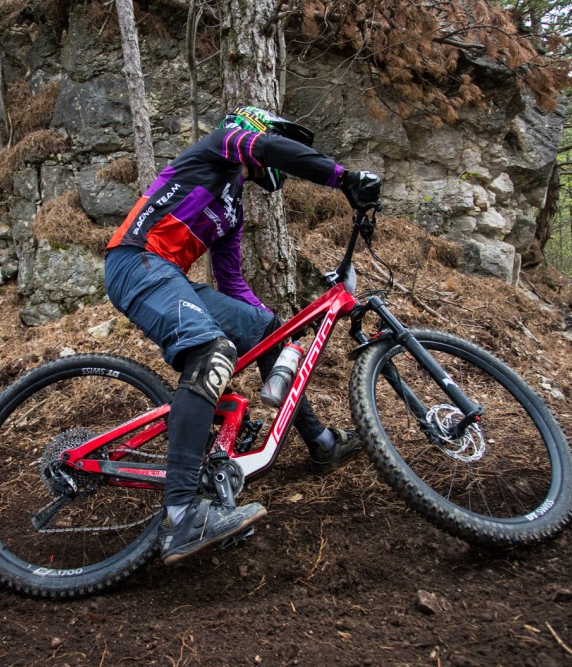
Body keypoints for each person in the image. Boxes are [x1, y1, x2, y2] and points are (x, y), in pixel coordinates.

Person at [104, 105, 382, 565]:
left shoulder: (232, 206)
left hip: (168, 274)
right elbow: (270, 148)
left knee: (265, 329)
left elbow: (231, 281)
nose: (276, 162)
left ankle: (321, 443)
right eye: (274, 140)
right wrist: (343, 178)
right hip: (137, 261)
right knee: (213, 352)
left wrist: (277, 325)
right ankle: (182, 513)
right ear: (252, 129)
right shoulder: (219, 147)